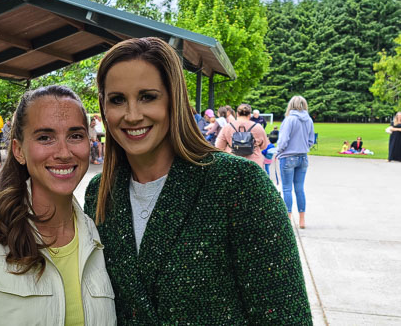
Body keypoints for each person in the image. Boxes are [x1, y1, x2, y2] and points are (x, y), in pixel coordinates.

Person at [84, 37, 310, 324]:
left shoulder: (239, 185)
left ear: (173, 100)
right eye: (117, 100)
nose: (132, 115)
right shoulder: (100, 193)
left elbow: (285, 315)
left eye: (147, 96)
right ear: (104, 108)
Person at [0, 85, 115, 325]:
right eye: (45, 137)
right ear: (18, 150)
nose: (64, 152)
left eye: (75, 135)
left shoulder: (95, 235)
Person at [276, 95, 315, 229]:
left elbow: (283, 140)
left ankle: (288, 218)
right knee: (300, 189)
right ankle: (302, 220)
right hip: (303, 157)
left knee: (287, 188)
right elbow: (311, 140)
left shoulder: (289, 120)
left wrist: (278, 151)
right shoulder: (309, 120)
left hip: (288, 157)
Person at [215, 103, 269, 169]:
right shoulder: (258, 127)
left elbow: (219, 146)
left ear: (237, 114)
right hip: (254, 164)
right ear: (249, 115)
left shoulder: (227, 127)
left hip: (232, 163)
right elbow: (264, 145)